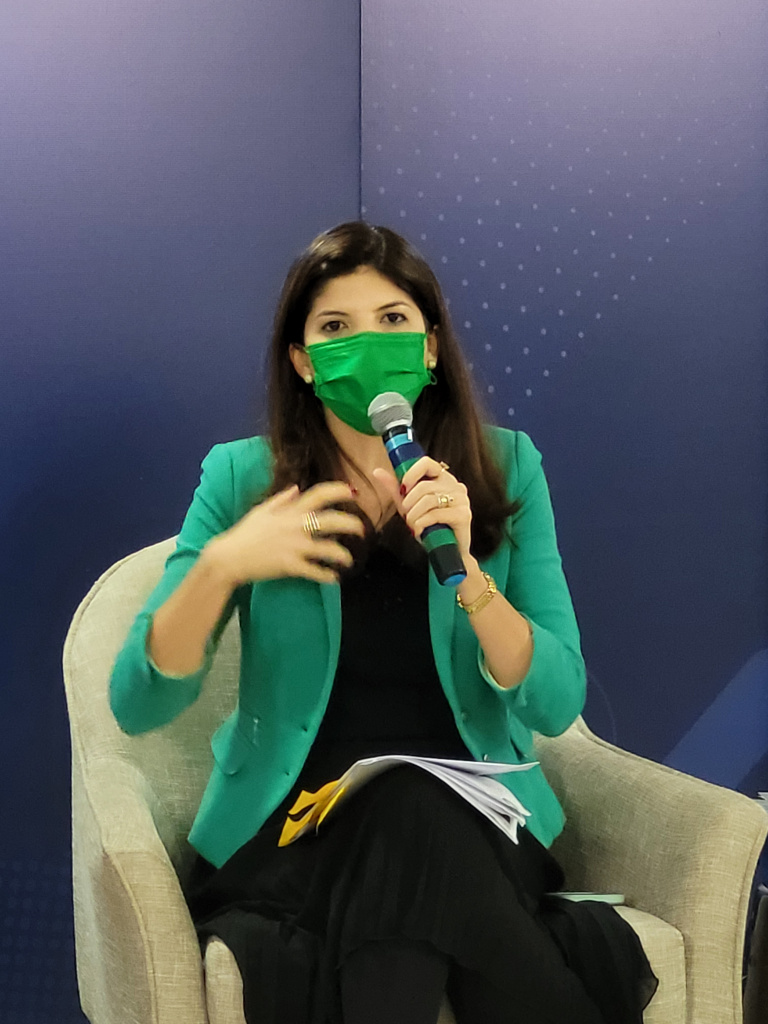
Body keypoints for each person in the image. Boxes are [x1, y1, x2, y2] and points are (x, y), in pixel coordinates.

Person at [109, 221, 657, 1024]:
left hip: (479, 827)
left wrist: (469, 573)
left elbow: (553, 701)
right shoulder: (242, 478)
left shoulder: (506, 468)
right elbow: (138, 702)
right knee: (412, 827)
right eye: (336, 326)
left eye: (393, 319)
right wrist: (223, 565)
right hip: (293, 832)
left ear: (430, 347)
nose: (367, 342)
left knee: (416, 823)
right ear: (303, 360)